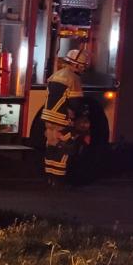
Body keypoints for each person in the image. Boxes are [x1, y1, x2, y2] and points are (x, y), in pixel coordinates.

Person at [41, 48, 89, 187]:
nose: (83, 69)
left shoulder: (55, 75)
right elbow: (75, 103)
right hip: (62, 119)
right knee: (64, 147)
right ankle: (58, 179)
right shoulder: (74, 79)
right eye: (82, 66)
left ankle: (49, 177)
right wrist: (82, 113)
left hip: (48, 117)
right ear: (75, 64)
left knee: (51, 145)